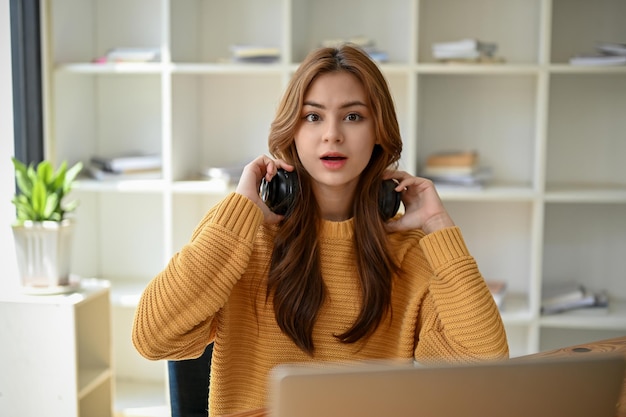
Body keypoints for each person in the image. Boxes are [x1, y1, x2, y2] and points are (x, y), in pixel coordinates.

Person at [132, 44, 509, 417]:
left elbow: (482, 367)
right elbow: (152, 337)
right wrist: (240, 214)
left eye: (353, 117)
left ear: (379, 130)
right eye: (313, 117)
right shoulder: (239, 235)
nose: (332, 135)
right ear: (291, 131)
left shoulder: (409, 251)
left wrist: (439, 227)